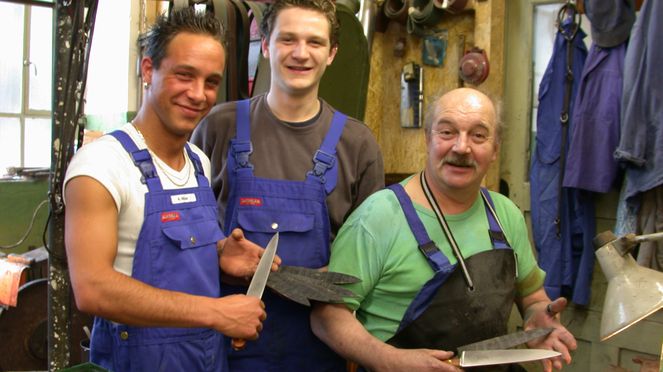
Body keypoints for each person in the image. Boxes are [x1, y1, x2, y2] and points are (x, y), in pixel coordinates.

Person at [64, 8, 279, 371]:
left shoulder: (198, 163)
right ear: (149, 70)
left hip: (205, 361)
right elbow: (92, 288)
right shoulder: (101, 165)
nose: (198, 94)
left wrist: (220, 256)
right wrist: (216, 312)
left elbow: (175, 260)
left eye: (211, 82)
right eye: (184, 76)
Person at [311, 88, 578, 372]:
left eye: (478, 135)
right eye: (447, 132)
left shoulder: (504, 215)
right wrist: (390, 360)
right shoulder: (378, 217)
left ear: (496, 147)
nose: (462, 148)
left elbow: (532, 295)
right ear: (427, 138)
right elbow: (327, 315)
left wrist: (537, 318)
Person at [190, 0, 384, 370]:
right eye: (287, 40)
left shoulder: (358, 146)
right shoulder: (218, 127)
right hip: (222, 347)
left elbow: (370, 262)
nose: (300, 54)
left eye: (315, 42)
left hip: (317, 347)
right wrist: (216, 254)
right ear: (265, 45)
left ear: (332, 54)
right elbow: (186, 236)